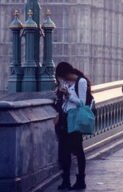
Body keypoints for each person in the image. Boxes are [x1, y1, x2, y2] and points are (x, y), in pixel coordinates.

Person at [54, 62, 90, 190]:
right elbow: (63, 102)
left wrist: (68, 95)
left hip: (75, 119)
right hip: (64, 119)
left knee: (78, 151)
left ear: (66, 74)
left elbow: (82, 103)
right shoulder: (66, 83)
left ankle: (81, 180)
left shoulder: (81, 82)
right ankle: (66, 181)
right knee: (64, 152)